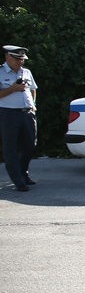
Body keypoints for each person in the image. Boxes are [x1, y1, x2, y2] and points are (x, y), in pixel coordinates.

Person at [0, 45, 38, 192]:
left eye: (22, 59)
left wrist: (33, 105)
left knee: (30, 145)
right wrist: (12, 89)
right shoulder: (1, 72)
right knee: (11, 148)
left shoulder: (26, 72)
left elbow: (33, 89)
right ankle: (18, 181)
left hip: (27, 113)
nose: (20, 62)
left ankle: (23, 173)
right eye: (17, 59)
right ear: (7, 57)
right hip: (8, 114)